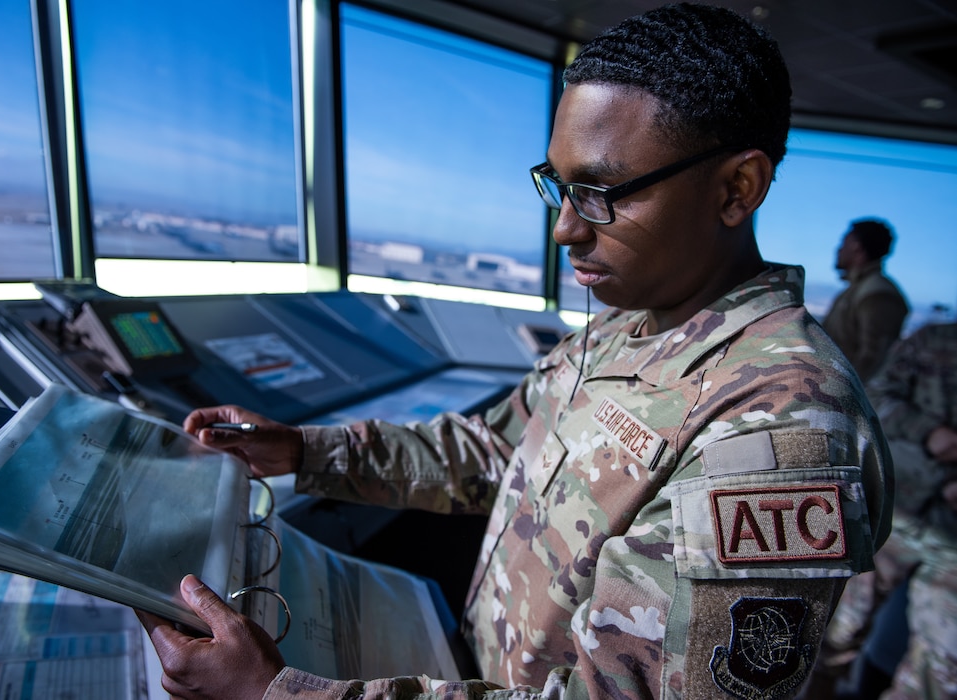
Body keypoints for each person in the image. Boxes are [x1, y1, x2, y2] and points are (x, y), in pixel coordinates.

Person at [136, 4, 892, 698]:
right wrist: (305, 450)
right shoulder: (629, 322)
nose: (564, 229)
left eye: (600, 192)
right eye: (558, 187)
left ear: (737, 188)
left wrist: (278, 694)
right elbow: (495, 451)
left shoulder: (776, 428)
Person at [810, 321, 957, 699]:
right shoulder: (934, 339)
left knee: (942, 668)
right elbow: (876, 394)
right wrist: (928, 431)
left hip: (951, 542)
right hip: (897, 514)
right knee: (833, 630)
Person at [821, 218, 909, 381]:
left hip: (849, 396)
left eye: (843, 242)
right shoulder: (856, 290)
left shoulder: (878, 293)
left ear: (856, 246)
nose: (839, 249)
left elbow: (874, 362)